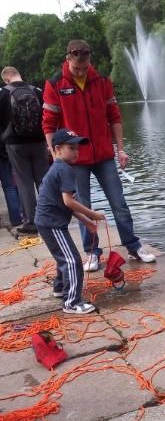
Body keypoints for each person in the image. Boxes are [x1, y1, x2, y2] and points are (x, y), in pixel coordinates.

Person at [42, 39, 155, 272]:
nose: (81, 72)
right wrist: (55, 155)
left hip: (103, 155)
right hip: (75, 159)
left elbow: (114, 117)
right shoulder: (55, 84)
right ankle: (92, 253)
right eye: (77, 68)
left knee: (119, 203)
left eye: (85, 68)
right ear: (68, 60)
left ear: (89, 61)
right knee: (83, 205)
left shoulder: (102, 81)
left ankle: (133, 246)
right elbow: (49, 124)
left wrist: (120, 149)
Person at [34, 128, 105, 315]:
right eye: (71, 148)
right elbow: (69, 201)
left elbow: (65, 205)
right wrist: (92, 214)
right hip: (52, 223)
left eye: (77, 148)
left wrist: (86, 221)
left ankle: (60, 288)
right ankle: (72, 302)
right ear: (57, 149)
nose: (76, 152)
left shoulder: (58, 167)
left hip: (47, 222)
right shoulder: (65, 169)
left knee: (63, 257)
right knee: (72, 261)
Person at [0, 66, 49, 234]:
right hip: (39, 142)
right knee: (43, 180)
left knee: (24, 182)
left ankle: (31, 223)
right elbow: (48, 116)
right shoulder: (36, 91)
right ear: (19, 75)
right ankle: (49, 218)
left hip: (15, 144)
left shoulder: (3, 93)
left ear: (6, 79)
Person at [0, 140, 22, 227]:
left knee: (9, 187)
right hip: (5, 150)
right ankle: (17, 218)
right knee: (11, 186)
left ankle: (16, 218)